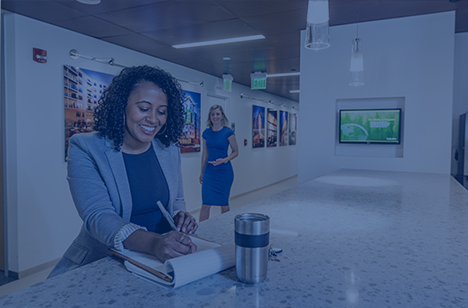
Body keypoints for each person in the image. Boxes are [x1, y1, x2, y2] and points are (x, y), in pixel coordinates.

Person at [49, 65, 198, 278]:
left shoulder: (169, 149)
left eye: (161, 111)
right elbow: (98, 216)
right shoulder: (85, 147)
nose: (154, 119)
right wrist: (154, 242)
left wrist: (180, 216)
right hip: (102, 263)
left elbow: (177, 200)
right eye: (144, 108)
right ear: (122, 106)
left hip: (158, 263)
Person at [199, 105, 239, 222]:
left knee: (224, 203)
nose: (215, 116)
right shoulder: (206, 133)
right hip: (209, 172)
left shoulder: (228, 132)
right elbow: (205, 154)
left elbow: (236, 152)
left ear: (222, 116)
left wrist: (225, 159)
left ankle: (225, 228)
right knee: (205, 204)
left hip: (224, 172)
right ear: (210, 117)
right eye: (212, 114)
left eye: (217, 114)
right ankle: (200, 231)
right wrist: (202, 172)